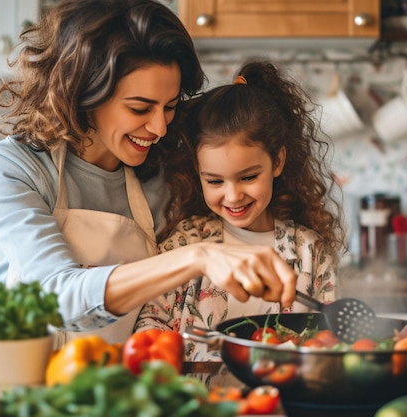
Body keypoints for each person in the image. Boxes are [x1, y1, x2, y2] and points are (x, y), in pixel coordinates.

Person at [0, 0, 297, 344]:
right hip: (29, 382)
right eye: (140, 108)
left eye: (169, 107)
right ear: (85, 92)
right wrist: (197, 256)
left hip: (127, 384)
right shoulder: (13, 168)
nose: (158, 127)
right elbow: (53, 298)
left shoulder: (167, 175)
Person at [134, 60, 347, 360]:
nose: (233, 196)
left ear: (278, 162)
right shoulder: (185, 244)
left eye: (248, 177)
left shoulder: (312, 253)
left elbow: (331, 342)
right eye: (215, 181)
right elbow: (150, 324)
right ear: (198, 171)